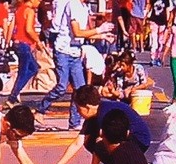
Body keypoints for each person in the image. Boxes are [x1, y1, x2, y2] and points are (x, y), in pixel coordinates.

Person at [45, 85, 151, 164]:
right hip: (125, 141)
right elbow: (77, 143)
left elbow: (100, 145)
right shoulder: (93, 117)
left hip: (138, 141)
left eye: (78, 109)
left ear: (87, 107)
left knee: (99, 142)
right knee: (89, 142)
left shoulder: (103, 113)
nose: (78, 113)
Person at [33, 0, 115, 130]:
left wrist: (102, 36)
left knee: (80, 89)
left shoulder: (84, 7)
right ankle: (40, 110)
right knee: (61, 86)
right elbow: (77, 32)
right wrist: (99, 29)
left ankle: (74, 122)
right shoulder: (73, 5)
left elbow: (84, 33)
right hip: (63, 51)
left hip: (76, 51)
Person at [4, 0, 44, 109]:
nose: (40, 3)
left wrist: (7, 42)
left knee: (33, 68)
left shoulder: (19, 10)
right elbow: (29, 29)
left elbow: (11, 26)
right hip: (24, 44)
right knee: (25, 71)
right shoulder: (29, 11)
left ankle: (15, 93)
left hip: (18, 43)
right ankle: (12, 98)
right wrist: (38, 41)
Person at [147, 0, 171, 66]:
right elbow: (149, 7)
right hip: (153, 21)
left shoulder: (166, 0)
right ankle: (153, 58)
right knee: (154, 40)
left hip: (163, 22)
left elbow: (167, 10)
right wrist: (146, 16)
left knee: (160, 41)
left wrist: (168, 21)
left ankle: (158, 57)